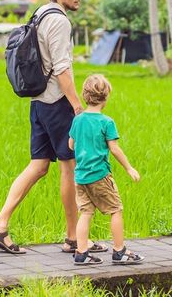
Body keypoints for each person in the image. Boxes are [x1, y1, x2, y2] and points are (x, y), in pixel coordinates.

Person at [0, 0, 106, 255]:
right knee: (70, 168)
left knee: (38, 166)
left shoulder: (40, 13)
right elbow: (62, 68)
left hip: (38, 102)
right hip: (57, 103)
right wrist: (77, 106)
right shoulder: (60, 22)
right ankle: (74, 239)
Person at [68, 74, 144, 265]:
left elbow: (71, 145)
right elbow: (115, 149)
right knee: (116, 210)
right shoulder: (106, 122)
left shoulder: (77, 120)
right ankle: (119, 251)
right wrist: (129, 168)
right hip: (100, 176)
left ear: (85, 95)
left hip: (80, 177)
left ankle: (81, 253)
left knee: (85, 213)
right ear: (106, 97)